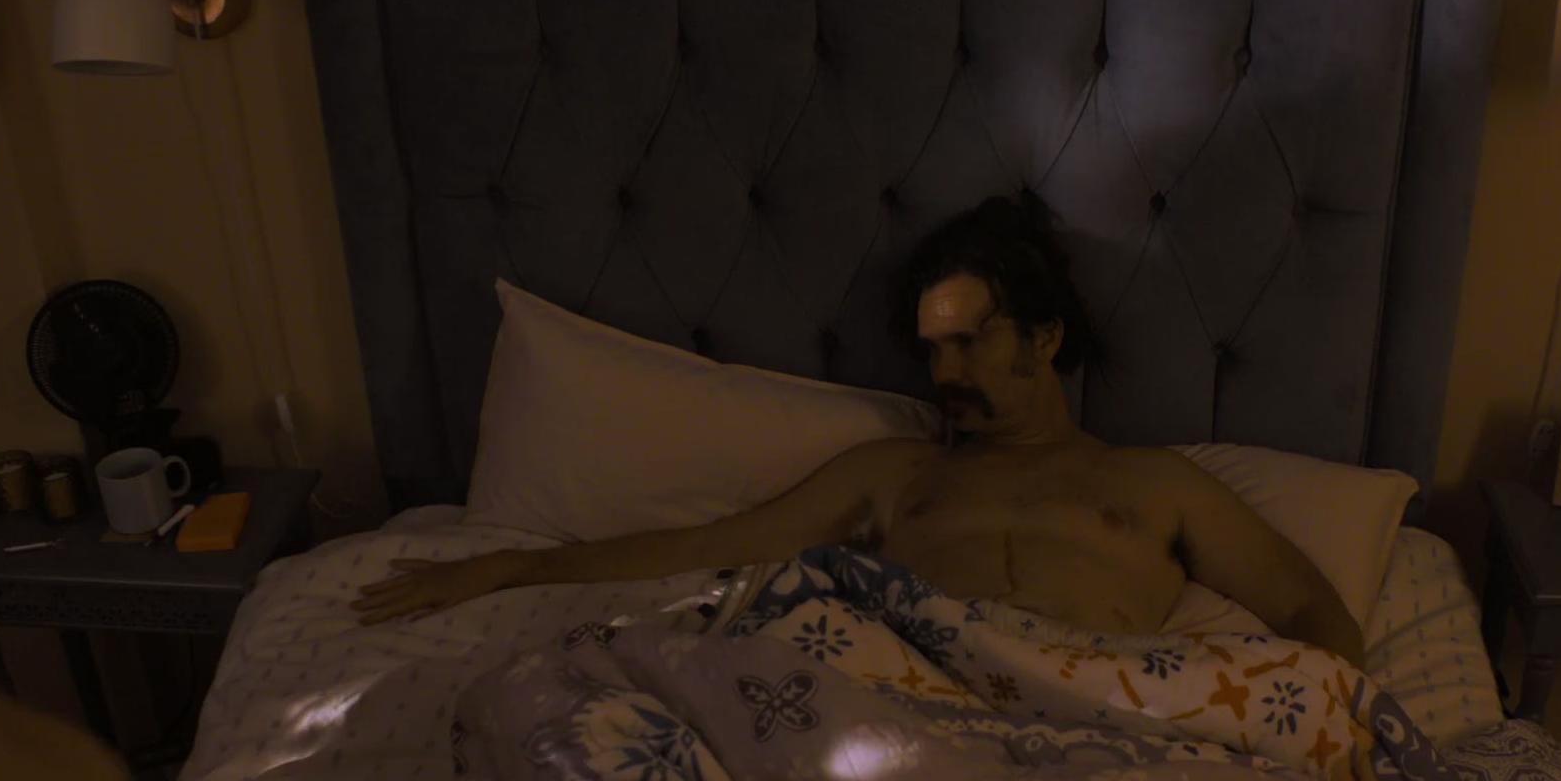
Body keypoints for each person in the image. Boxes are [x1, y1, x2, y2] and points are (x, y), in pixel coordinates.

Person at [354, 193, 1366, 666]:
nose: (945, 375)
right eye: (931, 351)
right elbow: (710, 544)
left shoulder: (1159, 483)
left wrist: (1324, 743)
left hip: (1092, 723)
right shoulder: (896, 474)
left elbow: (1307, 609)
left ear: (1045, 336)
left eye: (970, 342)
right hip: (913, 718)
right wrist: (511, 567)